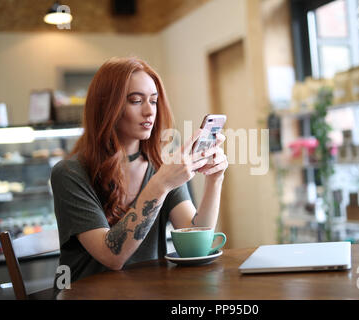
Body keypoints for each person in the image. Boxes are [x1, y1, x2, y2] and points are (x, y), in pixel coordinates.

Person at [50, 57, 228, 294]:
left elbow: (195, 242)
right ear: (106, 107)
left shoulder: (159, 165)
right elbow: (111, 256)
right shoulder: (69, 173)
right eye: (136, 100)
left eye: (153, 101)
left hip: (147, 293)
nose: (149, 111)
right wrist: (161, 184)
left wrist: (215, 180)